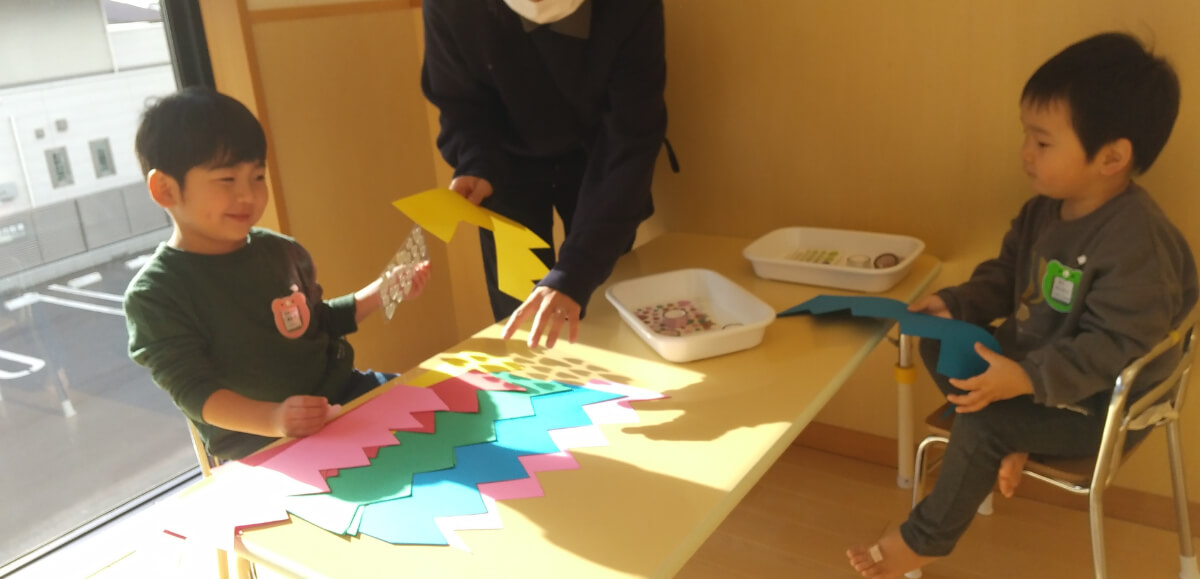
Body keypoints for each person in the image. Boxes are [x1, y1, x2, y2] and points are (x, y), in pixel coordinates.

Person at [847, 32, 1197, 578]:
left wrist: (1027, 379)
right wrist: (955, 304)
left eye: (1043, 141)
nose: (1025, 153)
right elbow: (1008, 274)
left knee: (985, 423)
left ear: (1111, 157)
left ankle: (926, 538)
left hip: (1099, 407)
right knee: (939, 343)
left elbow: (1116, 348)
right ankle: (1014, 440)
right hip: (1035, 371)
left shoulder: (1136, 243)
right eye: (1026, 135)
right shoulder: (1044, 210)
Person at [123, 88, 430, 461]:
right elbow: (194, 391)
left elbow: (317, 322)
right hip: (262, 445)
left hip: (344, 398)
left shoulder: (281, 251)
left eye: (257, 176)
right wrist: (275, 419)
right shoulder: (156, 295)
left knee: (439, 411)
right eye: (227, 180)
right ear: (165, 189)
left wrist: (383, 290)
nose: (248, 195)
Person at [420, 0, 671, 348]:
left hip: (599, 160)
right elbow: (461, 103)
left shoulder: (629, 7)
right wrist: (477, 163)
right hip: (505, 169)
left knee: (601, 308)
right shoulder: (451, 6)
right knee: (522, 324)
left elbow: (631, 144)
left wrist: (577, 270)